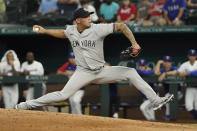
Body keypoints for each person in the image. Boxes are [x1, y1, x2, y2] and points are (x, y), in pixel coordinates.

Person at [16, 8, 173, 111]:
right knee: (63, 95)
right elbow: (62, 33)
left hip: (102, 71)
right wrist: (44, 31)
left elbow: (122, 26)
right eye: (85, 17)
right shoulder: (71, 30)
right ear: (78, 20)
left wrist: (134, 43)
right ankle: (26, 105)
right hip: (82, 73)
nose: (89, 18)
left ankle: (155, 100)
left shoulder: (98, 28)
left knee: (131, 72)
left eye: (89, 15)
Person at [154, 56, 183, 120]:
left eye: (168, 62)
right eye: (165, 62)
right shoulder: (162, 70)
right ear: (163, 63)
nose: (167, 63)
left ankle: (168, 115)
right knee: (168, 98)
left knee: (167, 98)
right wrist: (158, 63)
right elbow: (156, 73)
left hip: (178, 92)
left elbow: (176, 72)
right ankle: (170, 115)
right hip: (169, 92)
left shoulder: (173, 68)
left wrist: (165, 74)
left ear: (170, 63)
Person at [176, 49, 197, 120]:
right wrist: (180, 74)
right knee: (188, 106)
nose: (192, 57)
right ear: (188, 56)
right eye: (191, 55)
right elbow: (179, 72)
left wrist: (188, 73)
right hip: (190, 87)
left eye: (193, 55)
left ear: (196, 56)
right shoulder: (185, 64)